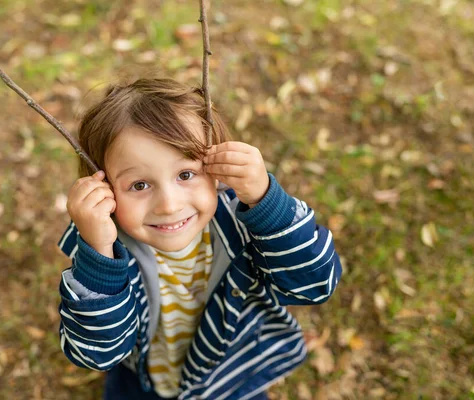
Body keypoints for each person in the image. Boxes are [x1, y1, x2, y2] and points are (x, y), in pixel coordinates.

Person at [57, 78, 342, 400]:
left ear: (216, 165)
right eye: (139, 185)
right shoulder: (105, 247)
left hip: (233, 376)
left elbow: (315, 285)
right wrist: (99, 255)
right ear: (103, 188)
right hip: (143, 381)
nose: (169, 205)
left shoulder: (249, 222)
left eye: (185, 175)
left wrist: (268, 203)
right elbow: (95, 354)